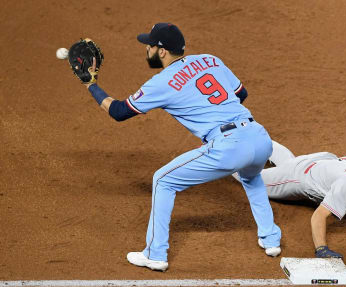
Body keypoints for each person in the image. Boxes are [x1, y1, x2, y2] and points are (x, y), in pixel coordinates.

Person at [76, 23, 282, 271]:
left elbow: (119, 112)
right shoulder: (210, 60)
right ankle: (271, 240)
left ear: (161, 51)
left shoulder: (160, 82)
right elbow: (241, 94)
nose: (147, 50)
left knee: (163, 180)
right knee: (251, 177)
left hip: (229, 146)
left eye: (149, 46)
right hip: (259, 137)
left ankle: (155, 254)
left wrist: (91, 85)